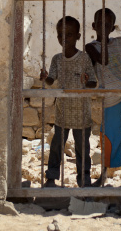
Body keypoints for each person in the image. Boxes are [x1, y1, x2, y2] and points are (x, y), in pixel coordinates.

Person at [86, 8, 121, 186]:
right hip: (110, 96)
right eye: (101, 23)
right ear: (94, 26)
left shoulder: (120, 41)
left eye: (108, 24)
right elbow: (103, 60)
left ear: (113, 27)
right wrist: (103, 39)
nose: (104, 26)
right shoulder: (91, 47)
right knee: (109, 134)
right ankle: (103, 175)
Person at [40, 15, 97, 187]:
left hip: (81, 113)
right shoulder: (57, 59)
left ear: (78, 36)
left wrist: (87, 81)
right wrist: (44, 78)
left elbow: (93, 83)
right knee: (56, 147)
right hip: (62, 112)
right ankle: (51, 177)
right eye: (60, 35)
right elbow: (51, 80)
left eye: (69, 35)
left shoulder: (84, 58)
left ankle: (84, 179)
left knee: (82, 149)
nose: (64, 39)